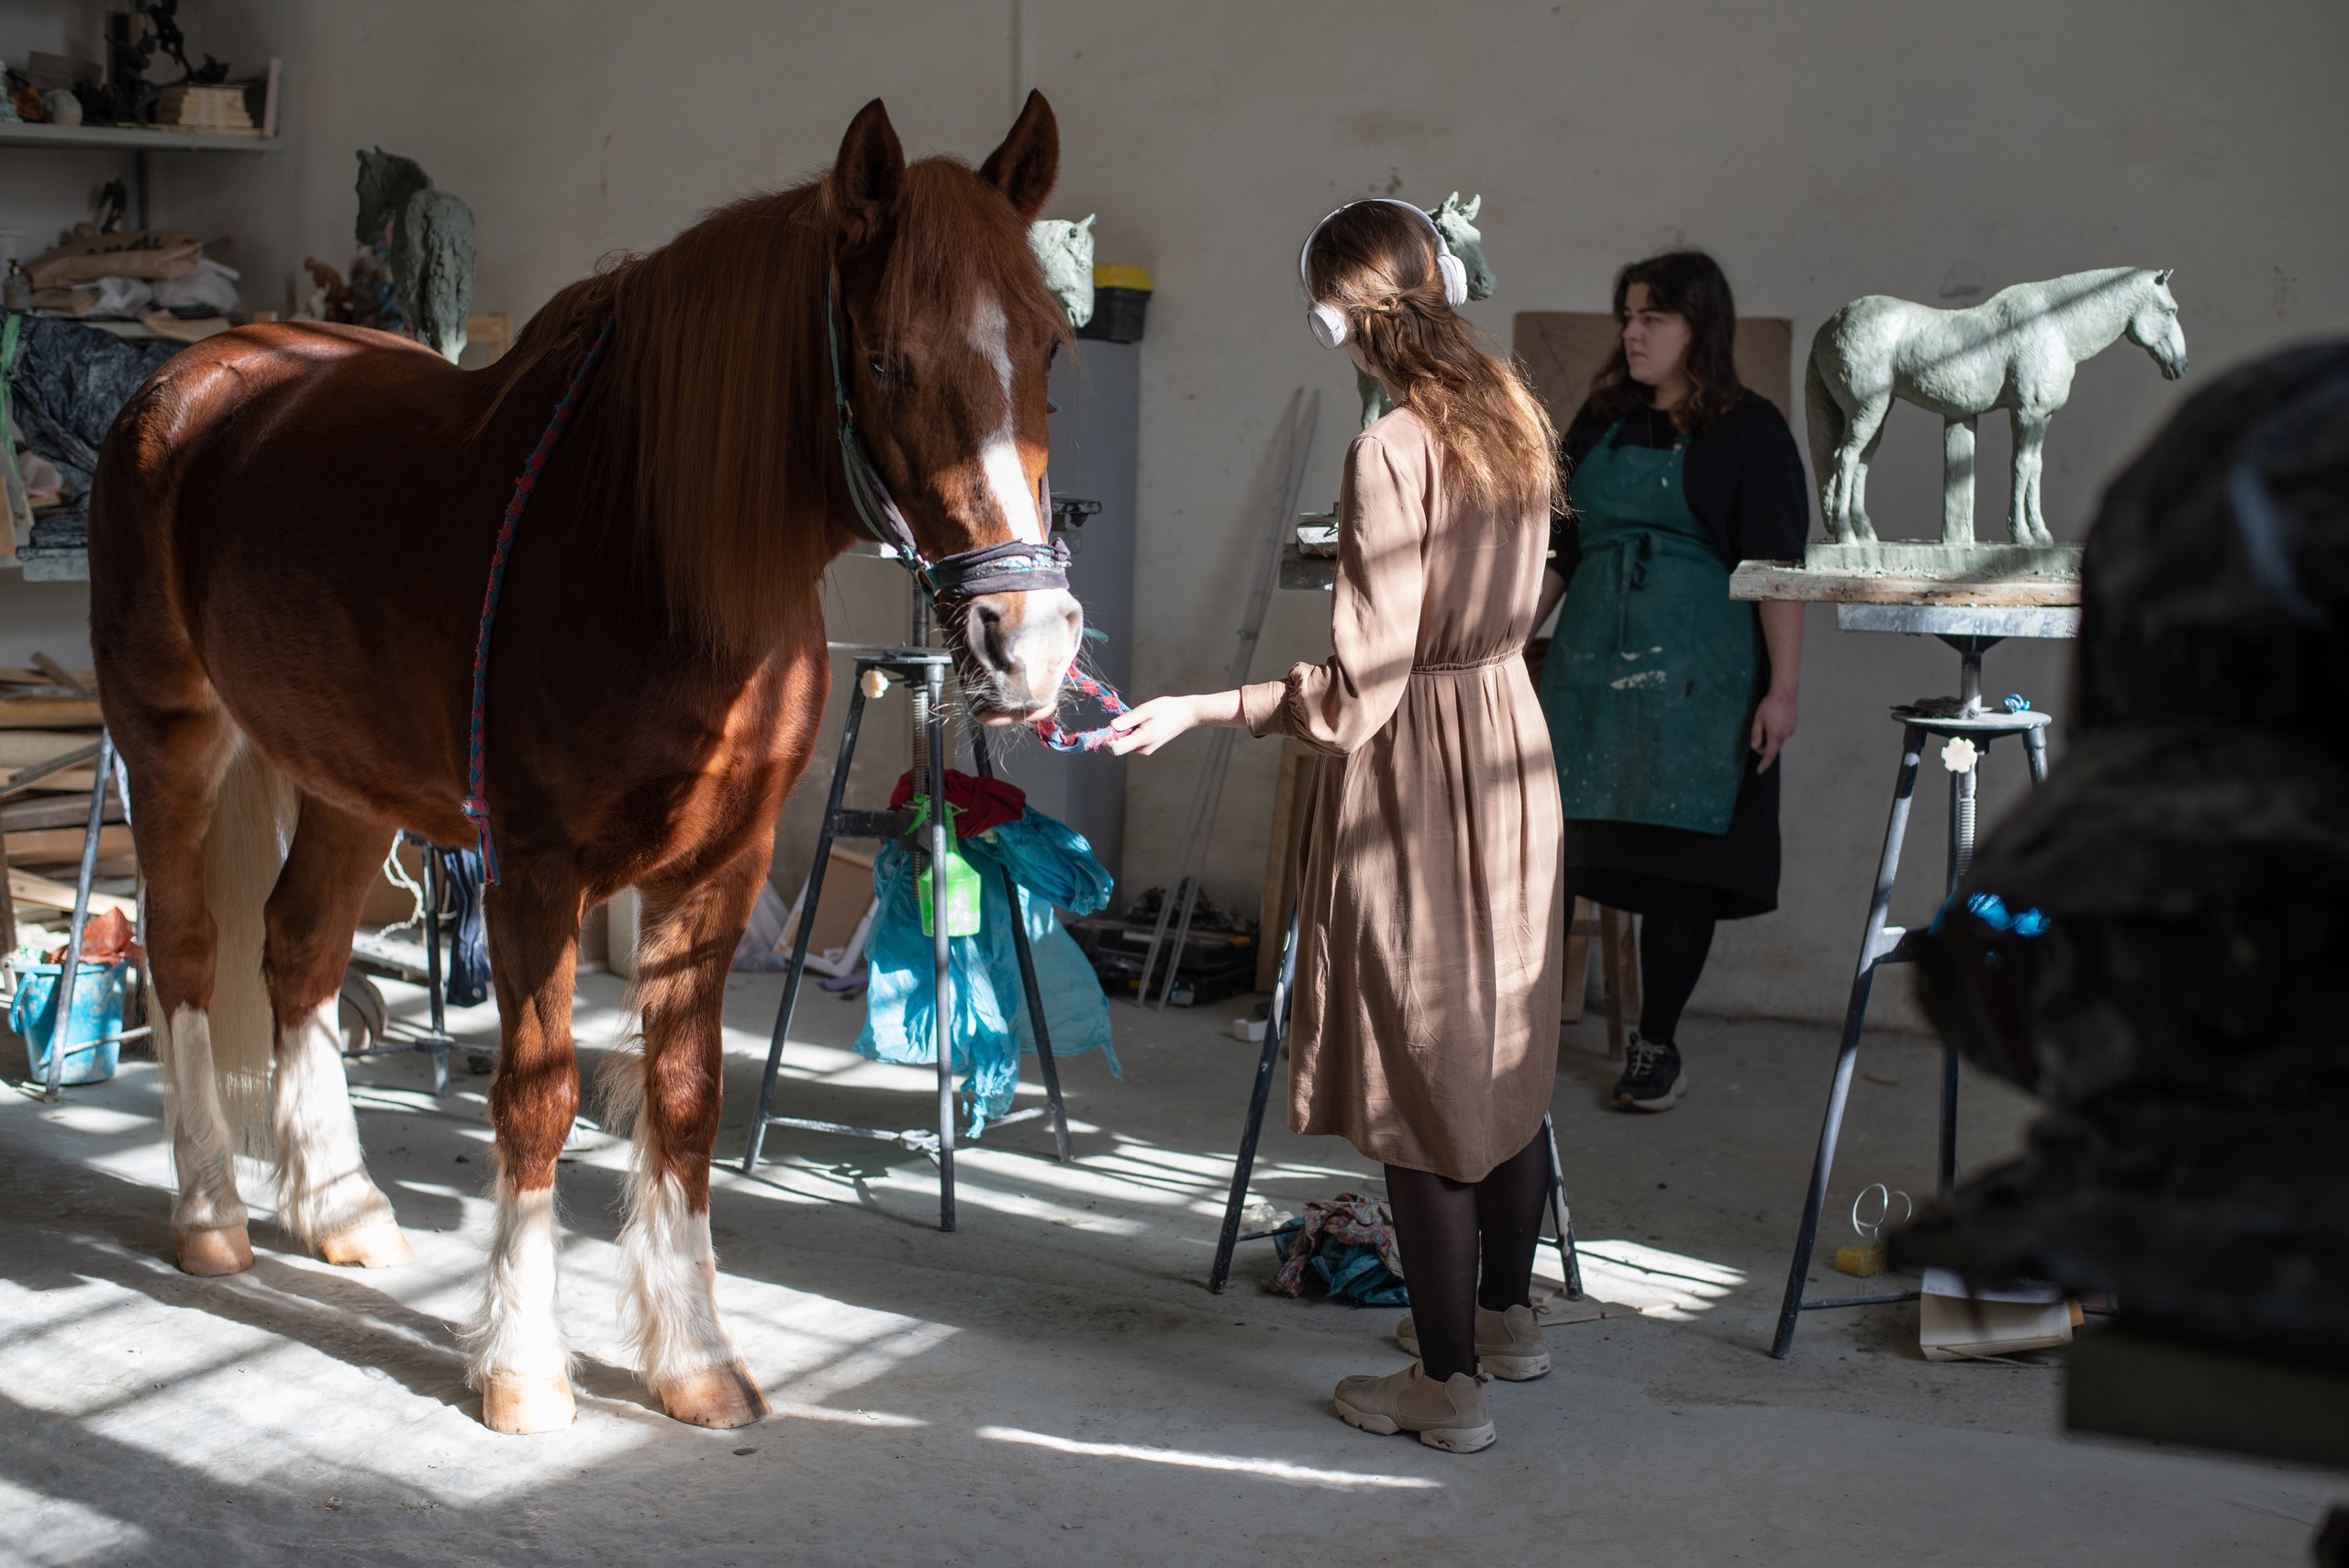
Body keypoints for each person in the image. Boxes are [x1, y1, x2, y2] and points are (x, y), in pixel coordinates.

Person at [1108, 199, 1564, 1453]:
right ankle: (1508, 1322)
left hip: (1421, 769)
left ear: (1337, 317)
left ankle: (1447, 1387)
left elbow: (1359, 694)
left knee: (1423, 1078)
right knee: (1505, 1055)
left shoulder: (1390, 451)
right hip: (1515, 750)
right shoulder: (1514, 412)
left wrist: (1208, 705)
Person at [1532, 251, 1809, 1112]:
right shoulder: (1600, 420)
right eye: (1627, 314)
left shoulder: (1751, 431)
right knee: (1553, 852)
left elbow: (1776, 572)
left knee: (1680, 867)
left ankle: (1657, 1042)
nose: (1633, 331)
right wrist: (1502, 641)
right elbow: (1562, 550)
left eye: (1654, 316)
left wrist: (1784, 690)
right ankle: (1519, 1037)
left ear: (1701, 327)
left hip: (1702, 685)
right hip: (1588, 672)